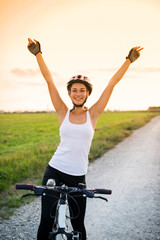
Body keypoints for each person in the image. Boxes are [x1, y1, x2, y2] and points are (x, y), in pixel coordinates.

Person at [27, 38, 143, 240]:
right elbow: (49, 80)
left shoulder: (94, 114)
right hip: (54, 170)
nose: (78, 93)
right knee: (46, 220)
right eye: (74, 90)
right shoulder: (63, 112)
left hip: (78, 176)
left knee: (78, 224)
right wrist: (38, 54)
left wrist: (128, 60)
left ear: (88, 93)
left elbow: (111, 84)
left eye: (82, 90)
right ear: (70, 93)